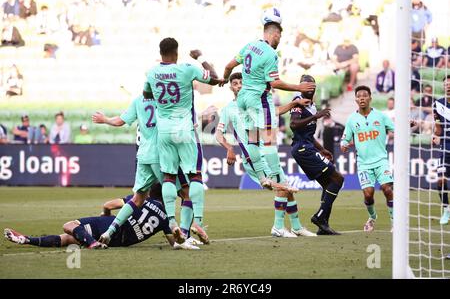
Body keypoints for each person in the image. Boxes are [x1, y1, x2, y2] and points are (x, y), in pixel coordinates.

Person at [93, 92, 203, 249]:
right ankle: (182, 236)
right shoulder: (166, 102)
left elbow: (120, 121)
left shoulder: (138, 100)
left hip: (143, 156)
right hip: (161, 155)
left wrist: (104, 119)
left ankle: (109, 232)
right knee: (186, 193)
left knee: (138, 199)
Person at [215, 72, 316, 237]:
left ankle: (296, 227)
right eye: (235, 83)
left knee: (285, 186)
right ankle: (278, 227)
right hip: (253, 157)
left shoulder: (255, 103)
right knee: (282, 186)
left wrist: (295, 103)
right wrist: (229, 148)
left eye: (242, 82)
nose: (239, 85)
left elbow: (274, 112)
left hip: (267, 151)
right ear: (230, 87)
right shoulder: (228, 109)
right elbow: (218, 134)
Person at [222, 20, 315, 197]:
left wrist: (223, 79)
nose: (279, 39)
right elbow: (274, 82)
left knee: (253, 139)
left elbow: (229, 66)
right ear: (274, 34)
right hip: (259, 98)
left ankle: (262, 177)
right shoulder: (271, 54)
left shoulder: (250, 45)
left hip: (243, 99)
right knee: (269, 141)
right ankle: (280, 180)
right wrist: (298, 88)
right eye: (279, 36)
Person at [145, 38, 223, 244]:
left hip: (164, 132)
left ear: (160, 52)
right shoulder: (187, 69)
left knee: (170, 176)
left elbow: (146, 93)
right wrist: (200, 58)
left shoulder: (151, 73)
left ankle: (172, 222)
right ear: (176, 53)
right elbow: (215, 78)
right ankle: (197, 221)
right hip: (185, 130)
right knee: (195, 175)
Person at [4, 194, 180, 250]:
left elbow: (107, 205)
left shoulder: (141, 198)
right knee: (66, 239)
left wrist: (104, 215)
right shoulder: (166, 218)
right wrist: (183, 237)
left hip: (109, 227)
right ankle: (26, 239)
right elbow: (174, 243)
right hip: (121, 242)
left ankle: (93, 243)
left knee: (69, 226)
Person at [290, 75, 345, 235]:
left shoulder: (312, 106)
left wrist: (321, 149)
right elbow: (293, 125)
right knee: (338, 179)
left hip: (307, 147)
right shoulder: (298, 102)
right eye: (304, 86)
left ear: (314, 88)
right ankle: (320, 217)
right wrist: (315, 116)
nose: (307, 88)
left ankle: (323, 224)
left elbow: (308, 135)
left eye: (310, 86)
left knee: (329, 184)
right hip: (302, 149)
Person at [340, 86, 394, 232]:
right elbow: (345, 138)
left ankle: (394, 221)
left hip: (381, 160)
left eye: (365, 95)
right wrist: (344, 145)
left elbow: (395, 128)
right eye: (359, 96)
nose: (362, 98)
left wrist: (407, 125)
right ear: (356, 99)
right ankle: (373, 216)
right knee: (368, 195)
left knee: (387, 189)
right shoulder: (352, 119)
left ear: (370, 98)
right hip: (364, 163)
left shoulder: (381, 116)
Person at [432, 75, 450, 225]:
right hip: (445, 145)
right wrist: (435, 136)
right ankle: (446, 209)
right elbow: (438, 129)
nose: (448, 86)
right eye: (446, 85)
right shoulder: (438, 104)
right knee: (440, 180)